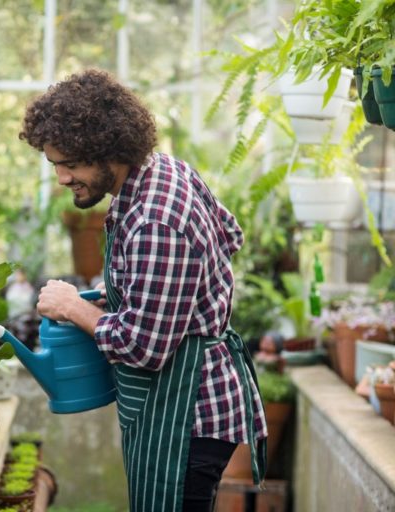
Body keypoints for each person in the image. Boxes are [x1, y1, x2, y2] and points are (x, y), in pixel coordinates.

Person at [19, 69, 268, 512]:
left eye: (71, 164)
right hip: (178, 407)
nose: (61, 178)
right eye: (54, 163)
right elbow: (230, 235)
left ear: (109, 151)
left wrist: (75, 307)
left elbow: (144, 347)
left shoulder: (156, 219)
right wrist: (140, 292)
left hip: (186, 415)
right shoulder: (163, 170)